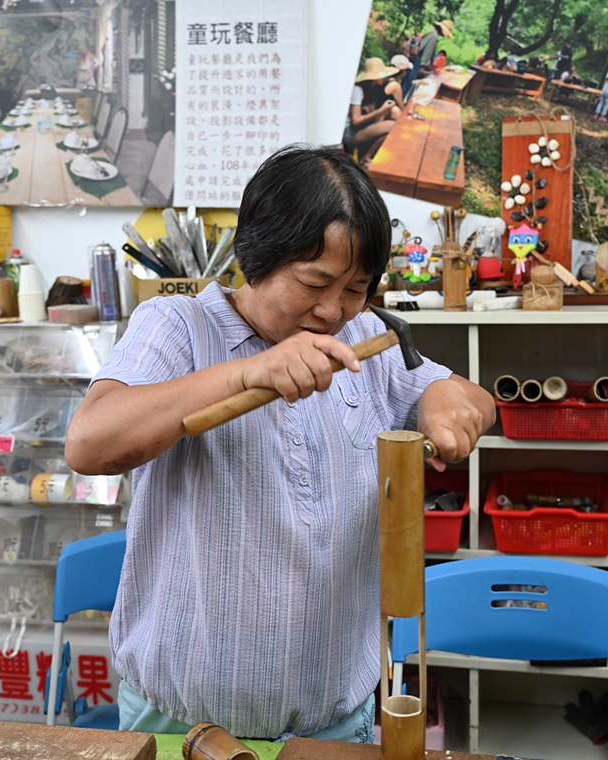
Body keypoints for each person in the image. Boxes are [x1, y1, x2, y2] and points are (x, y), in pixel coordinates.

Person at [64, 144, 495, 743]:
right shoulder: (178, 327)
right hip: (186, 718)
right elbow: (88, 444)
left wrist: (449, 399)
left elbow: (468, 396)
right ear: (256, 256)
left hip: (333, 719)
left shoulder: (366, 337)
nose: (333, 310)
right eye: (315, 283)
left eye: (356, 287)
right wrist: (249, 371)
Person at [343, 57, 404, 168]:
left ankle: (366, 158)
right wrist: (381, 110)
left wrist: (380, 111)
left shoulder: (372, 88)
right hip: (350, 132)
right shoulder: (358, 89)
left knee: (393, 120)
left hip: (362, 127)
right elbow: (356, 120)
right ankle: (367, 158)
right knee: (394, 126)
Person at [402, 19, 455, 98]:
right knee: (411, 88)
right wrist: (427, 69)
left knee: (407, 83)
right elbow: (426, 55)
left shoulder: (431, 32)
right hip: (418, 64)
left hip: (415, 61)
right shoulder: (434, 37)